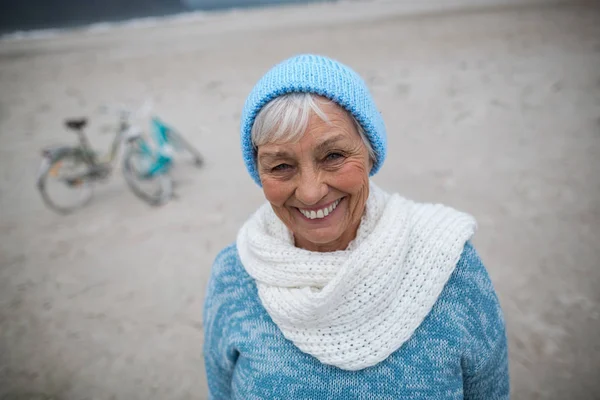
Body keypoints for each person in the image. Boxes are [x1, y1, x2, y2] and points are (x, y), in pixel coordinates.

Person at [203, 54, 509, 399]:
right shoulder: (234, 275)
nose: (310, 191)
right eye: (281, 166)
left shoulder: (450, 267)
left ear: (370, 152)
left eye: (333, 156)